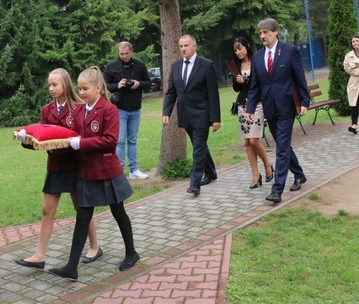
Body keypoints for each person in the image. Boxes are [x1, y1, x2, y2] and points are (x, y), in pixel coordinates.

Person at [48, 67, 139, 280]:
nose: (81, 93)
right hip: (87, 173)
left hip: (107, 172)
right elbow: (68, 134)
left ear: (98, 88)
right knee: (82, 217)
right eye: (79, 89)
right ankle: (71, 267)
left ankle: (131, 252)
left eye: (85, 88)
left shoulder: (109, 110)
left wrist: (82, 143)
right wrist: (42, 140)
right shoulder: (80, 110)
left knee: (119, 213)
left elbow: (110, 141)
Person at [15, 69, 102, 269]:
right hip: (55, 166)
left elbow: (84, 137)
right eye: (49, 85)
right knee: (47, 210)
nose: (51, 89)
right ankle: (39, 256)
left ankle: (95, 247)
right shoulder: (47, 110)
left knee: (81, 208)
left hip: (75, 165)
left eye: (55, 84)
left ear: (65, 84)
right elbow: (42, 140)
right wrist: (25, 141)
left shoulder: (79, 107)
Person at [245, 19, 309, 204]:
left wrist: (304, 101)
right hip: (269, 108)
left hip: (287, 107)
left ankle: (277, 190)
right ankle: (299, 174)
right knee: (284, 146)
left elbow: (299, 78)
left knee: (281, 147)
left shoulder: (289, 51)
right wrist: (251, 108)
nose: (262, 36)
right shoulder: (257, 57)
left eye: (265, 32)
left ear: (275, 32)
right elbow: (255, 85)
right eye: (260, 33)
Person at [162, 35, 221, 197]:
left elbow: (213, 94)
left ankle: (194, 184)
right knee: (199, 146)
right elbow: (171, 92)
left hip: (202, 114)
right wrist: (166, 112)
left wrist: (215, 119)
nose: (183, 49)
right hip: (186, 115)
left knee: (198, 149)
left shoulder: (206, 65)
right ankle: (211, 172)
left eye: (186, 45)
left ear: (194, 46)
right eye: (181, 46)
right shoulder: (176, 66)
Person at [231, 36, 274, 189]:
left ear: (247, 46)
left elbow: (262, 81)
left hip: (258, 104)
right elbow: (235, 88)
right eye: (235, 50)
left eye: (240, 48)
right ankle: (256, 174)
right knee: (247, 142)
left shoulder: (257, 60)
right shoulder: (236, 65)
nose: (238, 52)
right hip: (243, 104)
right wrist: (238, 82)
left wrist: (247, 81)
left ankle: (268, 166)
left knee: (254, 139)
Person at [103, 41, 151, 179]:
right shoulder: (111, 66)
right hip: (119, 108)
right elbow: (105, 86)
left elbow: (148, 83)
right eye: (121, 54)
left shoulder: (139, 65)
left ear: (132, 51)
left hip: (135, 107)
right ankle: (119, 170)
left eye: (126, 53)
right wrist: (118, 85)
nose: (124, 56)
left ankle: (134, 170)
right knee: (120, 140)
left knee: (132, 140)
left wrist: (138, 84)